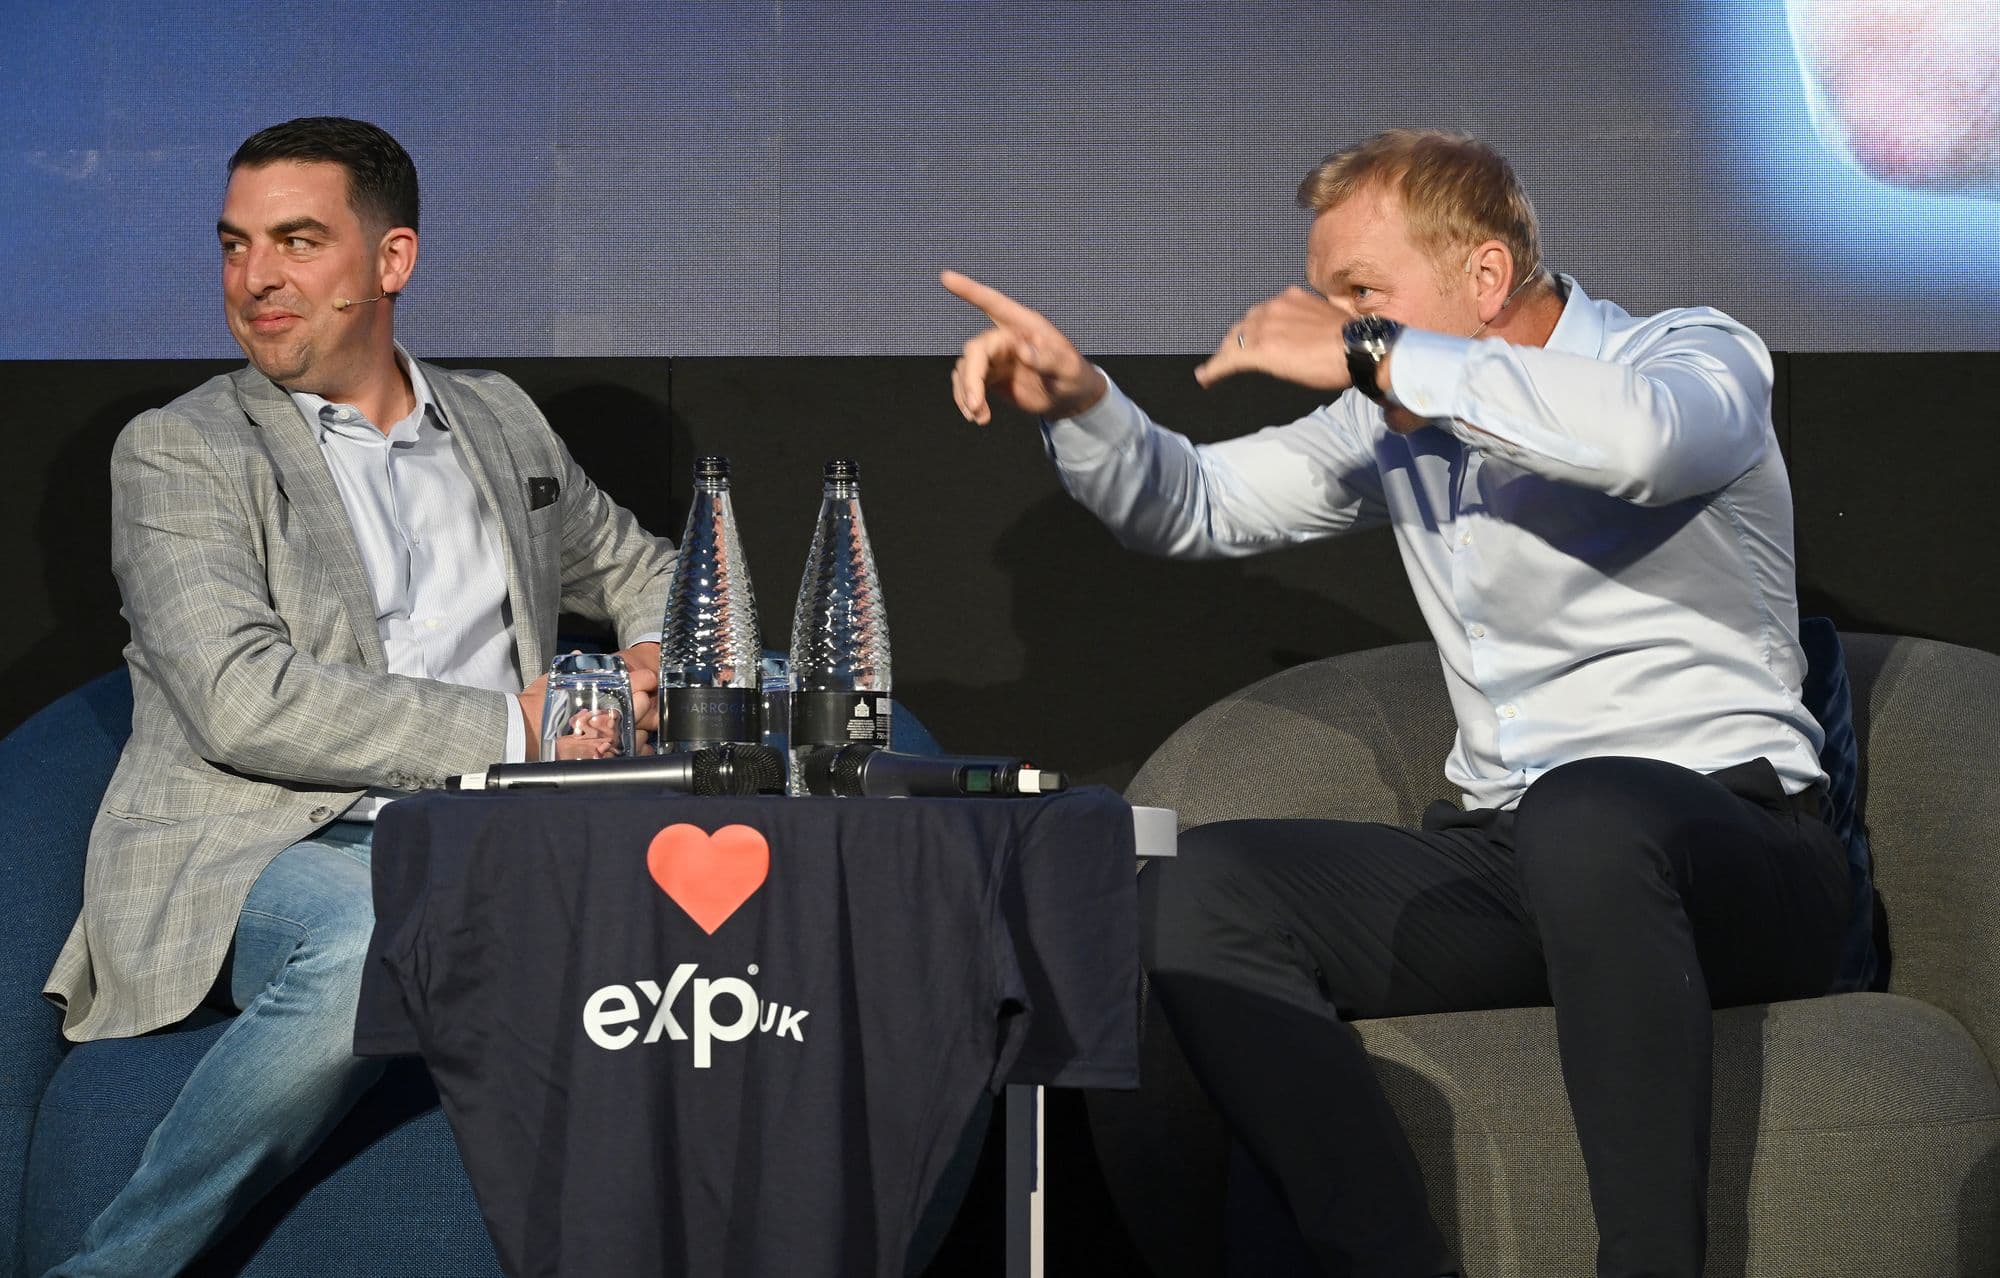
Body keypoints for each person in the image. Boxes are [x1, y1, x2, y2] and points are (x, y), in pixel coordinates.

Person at [943, 129, 1850, 1278]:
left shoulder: (1687, 355)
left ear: (1481, 275)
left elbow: (1646, 444)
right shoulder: (1394, 420)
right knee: (1198, 892)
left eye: (1358, 293)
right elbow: (1197, 503)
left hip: (1738, 859)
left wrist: (1376, 353)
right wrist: (1079, 404)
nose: (1330, 324)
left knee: (1589, 811)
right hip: (1518, 859)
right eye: (1329, 301)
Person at [41, 116, 675, 1275]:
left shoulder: (500, 421)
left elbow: (649, 572)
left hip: (505, 838)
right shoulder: (181, 452)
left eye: (295, 241)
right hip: (266, 843)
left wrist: (648, 653)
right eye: (234, 246)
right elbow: (244, 700)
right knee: (384, 935)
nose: (255, 281)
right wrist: (513, 730)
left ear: (392, 262)